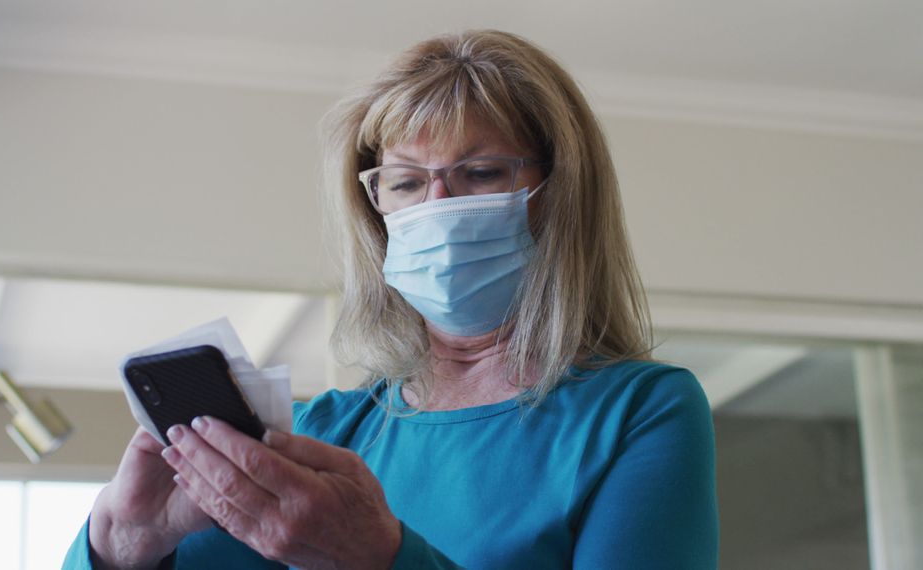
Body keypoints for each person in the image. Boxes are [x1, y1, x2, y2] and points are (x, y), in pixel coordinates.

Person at [64, 29, 719, 569]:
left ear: (561, 194)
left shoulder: (638, 412)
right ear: (373, 207)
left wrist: (384, 559)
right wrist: (120, 540)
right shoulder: (321, 434)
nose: (438, 209)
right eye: (405, 182)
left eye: (482, 173)